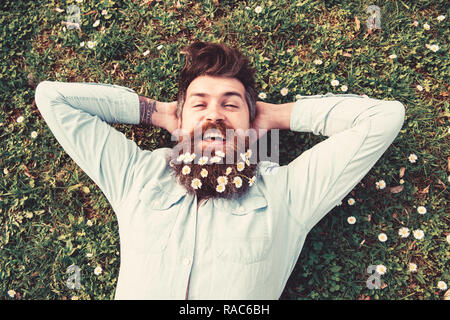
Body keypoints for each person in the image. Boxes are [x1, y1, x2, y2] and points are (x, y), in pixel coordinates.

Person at [34, 40, 405, 299]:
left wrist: (275, 114)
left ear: (252, 121)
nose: (214, 114)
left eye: (231, 105)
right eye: (200, 104)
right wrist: (159, 112)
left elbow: (383, 118)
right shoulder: (137, 175)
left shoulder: (287, 195)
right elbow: (53, 98)